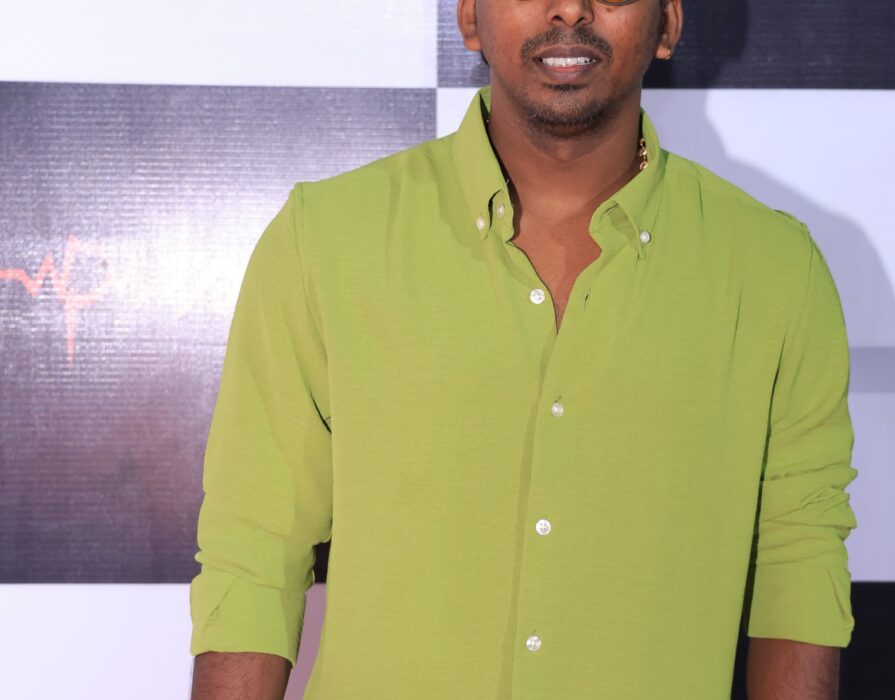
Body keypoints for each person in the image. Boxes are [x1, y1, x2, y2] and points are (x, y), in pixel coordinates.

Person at [188, 0, 858, 698]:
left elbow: (800, 566)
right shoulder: (324, 243)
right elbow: (254, 553)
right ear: (469, 18)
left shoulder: (776, 271)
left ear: (668, 23)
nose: (569, 8)